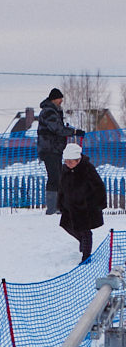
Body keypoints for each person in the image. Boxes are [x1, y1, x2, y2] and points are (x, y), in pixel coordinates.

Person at [56, 142, 106, 265]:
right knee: (66, 225)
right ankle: (82, 241)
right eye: (66, 161)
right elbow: (61, 188)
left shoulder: (87, 169)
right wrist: (60, 203)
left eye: (70, 161)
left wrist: (99, 203)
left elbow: (99, 187)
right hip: (69, 206)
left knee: (85, 231)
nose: (68, 164)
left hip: (85, 207)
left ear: (78, 159)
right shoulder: (65, 170)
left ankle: (86, 257)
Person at [37, 87, 84, 215]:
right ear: (54, 99)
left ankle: (57, 207)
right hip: (49, 149)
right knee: (54, 177)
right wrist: (73, 132)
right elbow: (57, 129)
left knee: (57, 177)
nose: (61, 100)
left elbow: (59, 128)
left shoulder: (54, 111)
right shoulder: (49, 112)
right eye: (60, 98)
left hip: (55, 149)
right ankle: (53, 208)